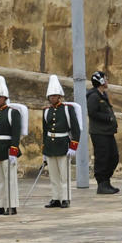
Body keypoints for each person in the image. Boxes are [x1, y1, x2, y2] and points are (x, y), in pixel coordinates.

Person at [38, 76, 80, 209]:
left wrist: (73, 146)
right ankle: (55, 198)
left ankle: (65, 198)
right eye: (50, 96)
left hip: (63, 144)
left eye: (55, 96)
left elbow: (76, 129)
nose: (52, 98)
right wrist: (44, 149)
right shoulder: (46, 111)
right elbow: (45, 131)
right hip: (50, 145)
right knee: (53, 175)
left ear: (60, 96)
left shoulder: (68, 109)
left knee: (64, 174)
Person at [0, 76, 24, 215]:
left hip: (7, 149)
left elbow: (15, 133)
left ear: (5, 98)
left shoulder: (12, 112)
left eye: (0, 97)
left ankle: (11, 205)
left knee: (10, 180)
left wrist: (13, 151)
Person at [88, 71, 120, 194]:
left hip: (108, 132)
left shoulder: (102, 94)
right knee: (102, 157)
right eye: (105, 79)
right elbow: (92, 112)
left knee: (113, 157)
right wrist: (108, 118)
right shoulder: (94, 96)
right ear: (100, 81)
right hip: (99, 132)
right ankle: (102, 184)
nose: (107, 81)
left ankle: (107, 181)